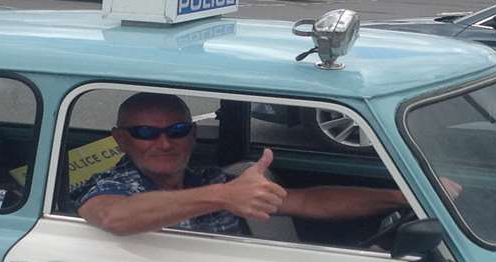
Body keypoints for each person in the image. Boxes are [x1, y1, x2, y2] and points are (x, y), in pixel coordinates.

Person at [76, 92, 408, 237]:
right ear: (121, 139)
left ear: (192, 135)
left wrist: (399, 197)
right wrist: (222, 196)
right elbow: (113, 216)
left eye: (176, 131)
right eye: (145, 133)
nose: (164, 143)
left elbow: (309, 201)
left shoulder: (206, 179)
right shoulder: (112, 185)